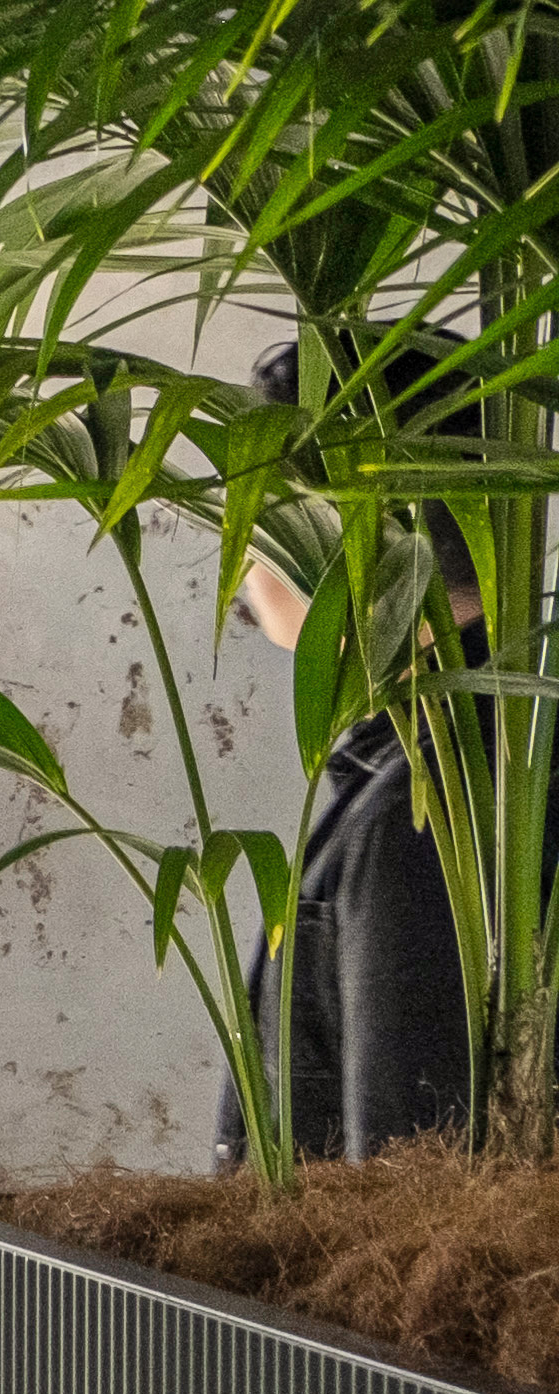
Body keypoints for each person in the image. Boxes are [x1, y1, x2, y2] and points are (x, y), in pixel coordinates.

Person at [238, 339, 498, 1155]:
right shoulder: (481, 760)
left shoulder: (421, 809)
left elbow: (403, 1200)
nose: (236, 554)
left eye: (250, 508)